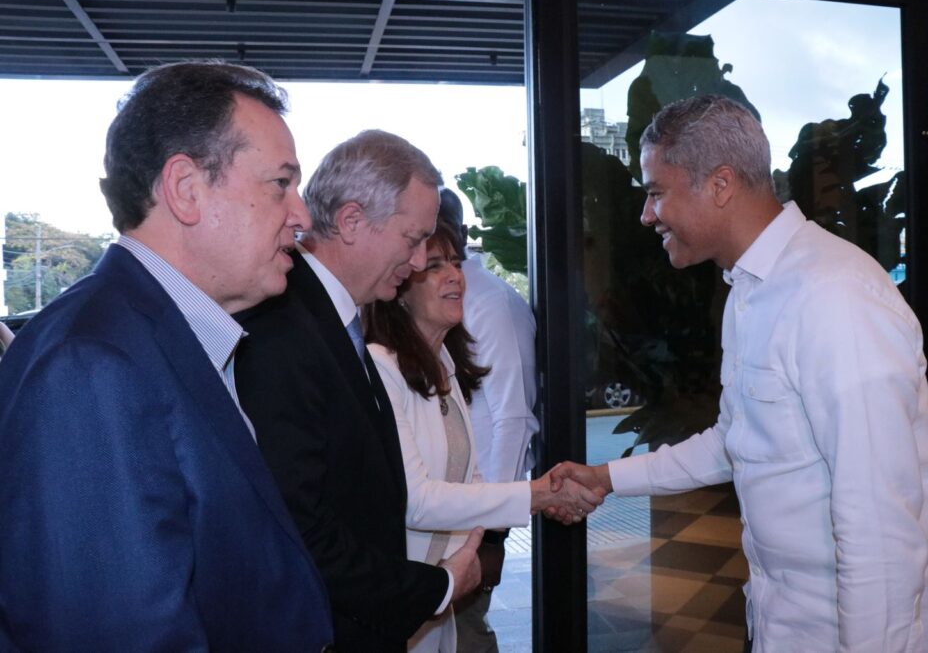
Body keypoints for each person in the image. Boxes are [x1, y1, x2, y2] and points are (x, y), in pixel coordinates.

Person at [549, 94, 928, 652]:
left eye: (656, 192)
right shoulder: (750, 290)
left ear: (720, 184)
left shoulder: (834, 296)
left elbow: (881, 534)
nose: (647, 214)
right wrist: (606, 478)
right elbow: (737, 441)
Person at [0, 61, 333, 651]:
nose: (302, 216)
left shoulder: (162, 336)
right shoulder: (91, 367)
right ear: (185, 189)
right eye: (281, 184)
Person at [234, 130, 480, 651]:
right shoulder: (282, 328)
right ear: (351, 221)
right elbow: (298, 527)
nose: (419, 262)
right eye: (412, 239)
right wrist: (437, 589)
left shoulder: (332, 317)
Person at [364, 220, 602, 652]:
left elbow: (469, 477)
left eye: (456, 262)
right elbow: (417, 500)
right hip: (403, 594)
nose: (455, 275)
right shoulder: (382, 366)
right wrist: (537, 495)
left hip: (442, 590)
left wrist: (481, 543)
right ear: (400, 289)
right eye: (434, 266)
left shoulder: (445, 365)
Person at [437, 188, 540, 652]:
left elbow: (513, 419)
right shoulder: (430, 298)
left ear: (460, 232)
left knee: (465, 632)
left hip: (474, 516)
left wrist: (493, 535)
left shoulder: (489, 303)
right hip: (446, 506)